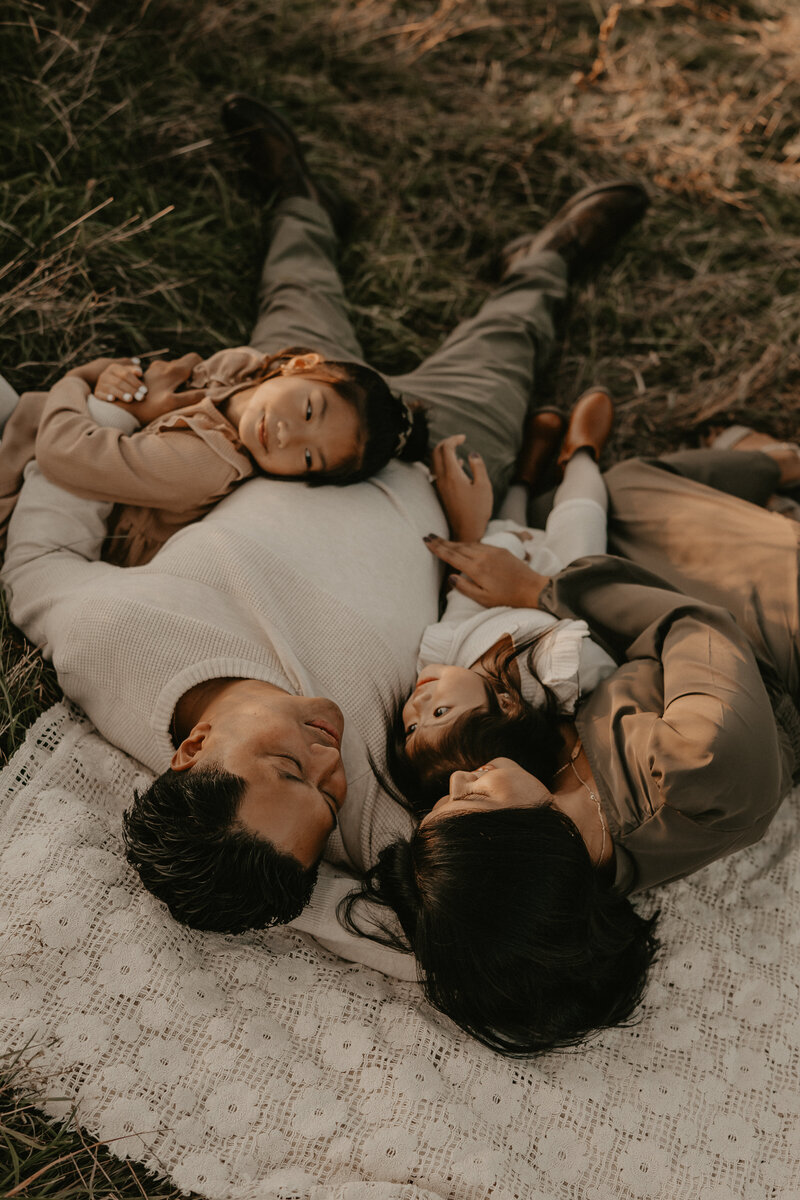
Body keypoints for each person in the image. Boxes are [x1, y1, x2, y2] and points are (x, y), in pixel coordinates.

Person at [1, 91, 648, 953]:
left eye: (288, 767)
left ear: (190, 748)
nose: (330, 756)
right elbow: (444, 924)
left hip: (300, 423)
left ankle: (303, 198)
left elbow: (37, 551)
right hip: (443, 469)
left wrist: (117, 411)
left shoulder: (107, 641)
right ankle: (547, 262)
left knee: (298, 291)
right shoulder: (360, 823)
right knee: (510, 346)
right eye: (329, 791)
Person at [343, 438, 800, 1052]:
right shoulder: (697, 769)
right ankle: (781, 466)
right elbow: (695, 625)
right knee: (632, 485)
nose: (454, 782)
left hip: (656, 631)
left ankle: (754, 480)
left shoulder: (550, 818)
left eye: (441, 805)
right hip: (760, 648)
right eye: (469, 802)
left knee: (606, 491)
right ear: (527, 851)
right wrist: (538, 590)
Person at [0, 334, 428, 567]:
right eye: (309, 410)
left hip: (19, 494)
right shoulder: (237, 369)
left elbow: (64, 455)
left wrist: (80, 378)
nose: (287, 437)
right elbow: (135, 384)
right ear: (300, 366)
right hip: (31, 428)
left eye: (308, 458)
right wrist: (114, 378)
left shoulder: (204, 465)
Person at [391, 387, 619, 811]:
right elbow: (606, 654)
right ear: (508, 703)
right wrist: (540, 590)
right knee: (583, 520)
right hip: (559, 575)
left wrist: (493, 546)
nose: (416, 707)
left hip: (506, 551)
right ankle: (581, 454)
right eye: (438, 715)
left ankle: (526, 473)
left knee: (506, 522)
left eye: (411, 729)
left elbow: (467, 595)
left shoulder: (442, 657)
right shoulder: (549, 673)